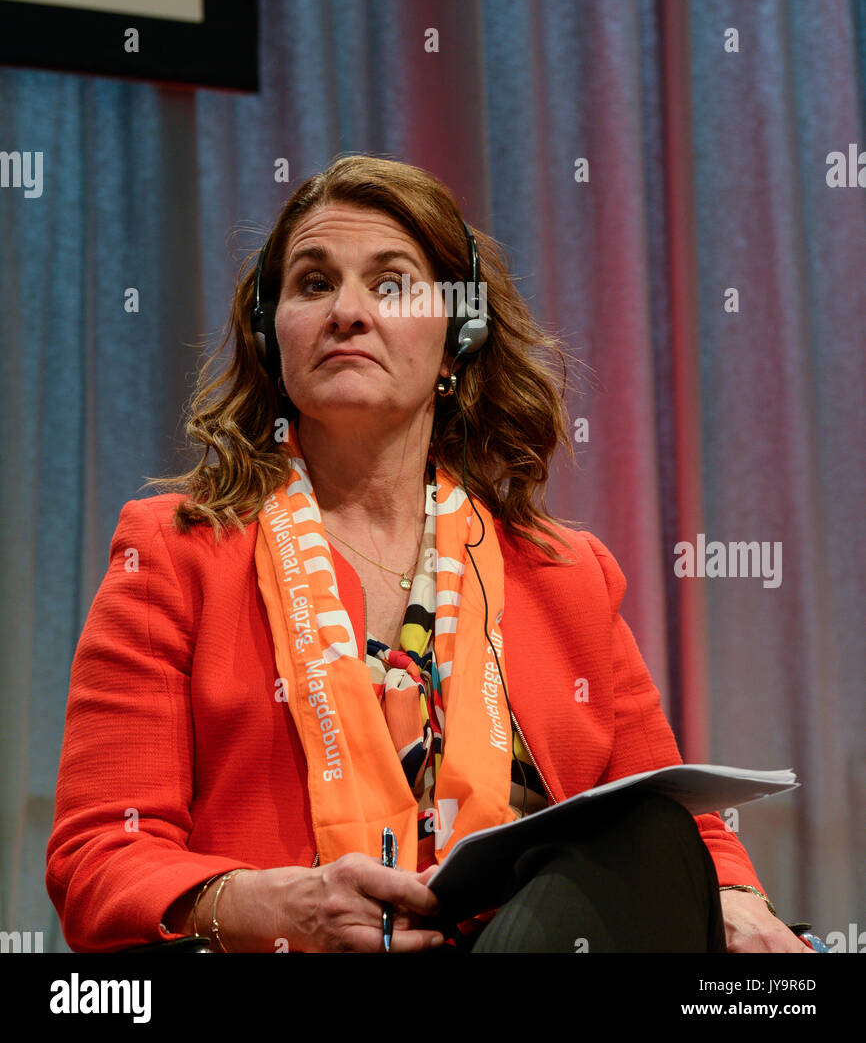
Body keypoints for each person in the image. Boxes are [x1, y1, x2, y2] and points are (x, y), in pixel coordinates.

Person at [46, 154, 811, 953]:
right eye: (313, 284)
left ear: (457, 341)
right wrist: (272, 907)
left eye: (390, 284)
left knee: (651, 840)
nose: (347, 310)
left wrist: (734, 897)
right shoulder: (176, 553)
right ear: (275, 341)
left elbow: (668, 818)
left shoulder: (566, 575)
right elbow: (99, 859)